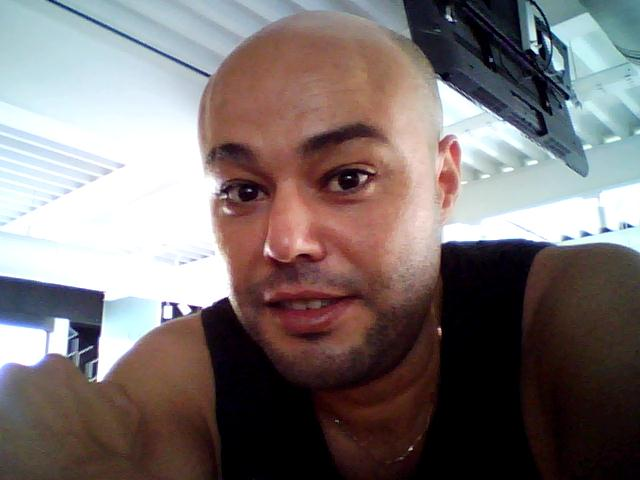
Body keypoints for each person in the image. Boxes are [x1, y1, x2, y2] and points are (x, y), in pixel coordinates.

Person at [0, 10, 638, 480]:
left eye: (347, 178)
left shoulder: (574, 309)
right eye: (244, 191)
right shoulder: (185, 372)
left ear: (443, 183)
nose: (285, 242)